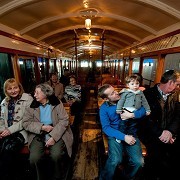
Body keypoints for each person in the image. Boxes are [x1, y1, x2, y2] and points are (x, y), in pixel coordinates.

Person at [22, 83, 73, 180]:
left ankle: (57, 176)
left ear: (45, 94)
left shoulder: (56, 102)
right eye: (34, 92)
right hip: (38, 134)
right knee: (34, 158)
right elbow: (26, 123)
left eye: (37, 93)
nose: (34, 95)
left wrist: (53, 137)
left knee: (56, 155)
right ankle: (40, 177)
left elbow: (64, 120)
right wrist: (42, 127)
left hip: (56, 131)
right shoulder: (32, 105)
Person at [98, 84, 146, 180]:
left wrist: (133, 114)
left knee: (139, 162)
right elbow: (106, 128)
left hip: (131, 132)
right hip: (116, 134)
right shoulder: (104, 108)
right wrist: (124, 137)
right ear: (106, 99)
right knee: (115, 160)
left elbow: (143, 110)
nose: (116, 93)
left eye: (115, 90)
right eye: (112, 93)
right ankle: (104, 178)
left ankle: (127, 176)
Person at [139, 70, 180, 180]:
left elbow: (178, 115)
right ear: (170, 82)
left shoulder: (176, 95)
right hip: (151, 133)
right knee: (155, 155)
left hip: (169, 132)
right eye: (177, 84)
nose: (178, 87)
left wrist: (170, 132)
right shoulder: (146, 95)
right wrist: (162, 133)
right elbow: (145, 119)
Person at [0, 78, 33, 180]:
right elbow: (1, 118)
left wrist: (9, 131)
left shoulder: (28, 99)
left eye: (15, 87)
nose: (13, 91)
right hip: (6, 131)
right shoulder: (4, 101)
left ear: (20, 88)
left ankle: (8, 176)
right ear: (6, 91)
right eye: (10, 89)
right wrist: (1, 131)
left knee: (8, 149)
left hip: (22, 132)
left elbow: (25, 121)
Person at [116, 74, 150, 142]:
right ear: (128, 85)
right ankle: (121, 136)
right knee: (123, 124)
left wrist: (147, 109)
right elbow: (121, 101)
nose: (135, 85)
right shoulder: (125, 92)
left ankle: (131, 135)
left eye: (137, 83)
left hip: (135, 111)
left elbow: (144, 102)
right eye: (132, 84)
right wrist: (118, 109)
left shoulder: (140, 93)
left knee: (133, 125)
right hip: (125, 110)